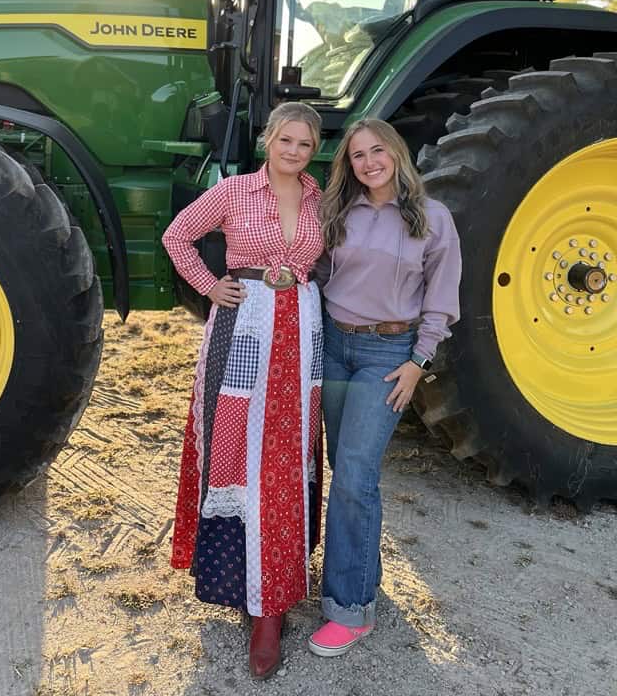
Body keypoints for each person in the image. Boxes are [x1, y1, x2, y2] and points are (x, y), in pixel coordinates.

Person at [162, 102, 324, 680]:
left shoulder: (319, 200)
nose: (295, 152)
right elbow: (177, 236)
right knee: (235, 452)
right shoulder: (233, 191)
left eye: (306, 145)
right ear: (268, 140)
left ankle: (272, 605)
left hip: (301, 333)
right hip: (243, 327)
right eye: (287, 141)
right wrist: (212, 287)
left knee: (284, 458)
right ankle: (236, 576)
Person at [307, 118, 461, 658]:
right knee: (345, 470)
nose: (369, 162)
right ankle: (363, 574)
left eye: (377, 151)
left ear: (396, 153)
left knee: (354, 473)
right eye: (357, 156)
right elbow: (317, 275)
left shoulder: (432, 219)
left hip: (386, 358)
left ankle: (349, 608)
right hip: (334, 347)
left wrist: (420, 360)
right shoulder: (340, 213)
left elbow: (441, 299)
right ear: (347, 165)